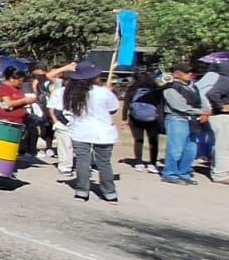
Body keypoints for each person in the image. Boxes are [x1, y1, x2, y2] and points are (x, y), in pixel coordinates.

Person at [63, 60, 120, 203]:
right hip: (103, 132)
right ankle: (110, 193)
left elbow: (68, 110)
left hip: (81, 131)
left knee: (83, 161)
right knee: (104, 163)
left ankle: (82, 191)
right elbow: (113, 109)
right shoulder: (103, 92)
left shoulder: (71, 93)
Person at [159, 63, 206, 185]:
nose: (191, 74)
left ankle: (183, 173)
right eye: (187, 72)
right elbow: (178, 106)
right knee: (176, 149)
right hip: (177, 119)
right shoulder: (170, 87)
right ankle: (170, 174)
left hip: (192, 121)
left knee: (190, 150)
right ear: (177, 73)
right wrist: (200, 111)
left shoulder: (193, 87)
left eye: (192, 72)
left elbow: (202, 101)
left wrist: (205, 111)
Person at [203, 60, 229, 185]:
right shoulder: (226, 80)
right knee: (225, 147)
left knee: (225, 146)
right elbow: (211, 93)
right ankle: (221, 175)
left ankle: (221, 171)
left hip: (227, 117)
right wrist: (222, 106)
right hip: (224, 117)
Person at [124, 69, 164, 172]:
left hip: (135, 118)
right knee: (153, 141)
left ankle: (138, 162)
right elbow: (160, 104)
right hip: (153, 118)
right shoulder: (155, 89)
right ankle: (153, 164)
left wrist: (124, 118)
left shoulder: (132, 89)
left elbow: (126, 105)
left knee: (138, 140)